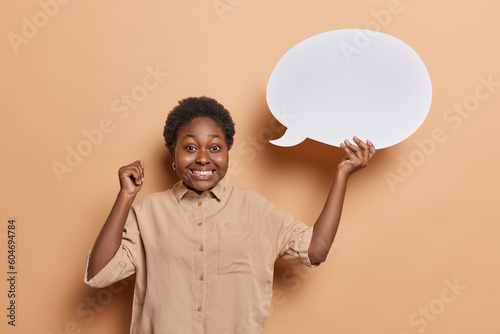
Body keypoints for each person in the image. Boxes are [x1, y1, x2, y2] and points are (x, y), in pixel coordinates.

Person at [84, 96, 375, 333]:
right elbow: (99, 273)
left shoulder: (255, 208)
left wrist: (342, 175)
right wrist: (126, 196)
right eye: (189, 147)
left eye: (214, 147)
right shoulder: (148, 212)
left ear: (227, 152)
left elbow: (316, 250)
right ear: (171, 151)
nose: (202, 157)